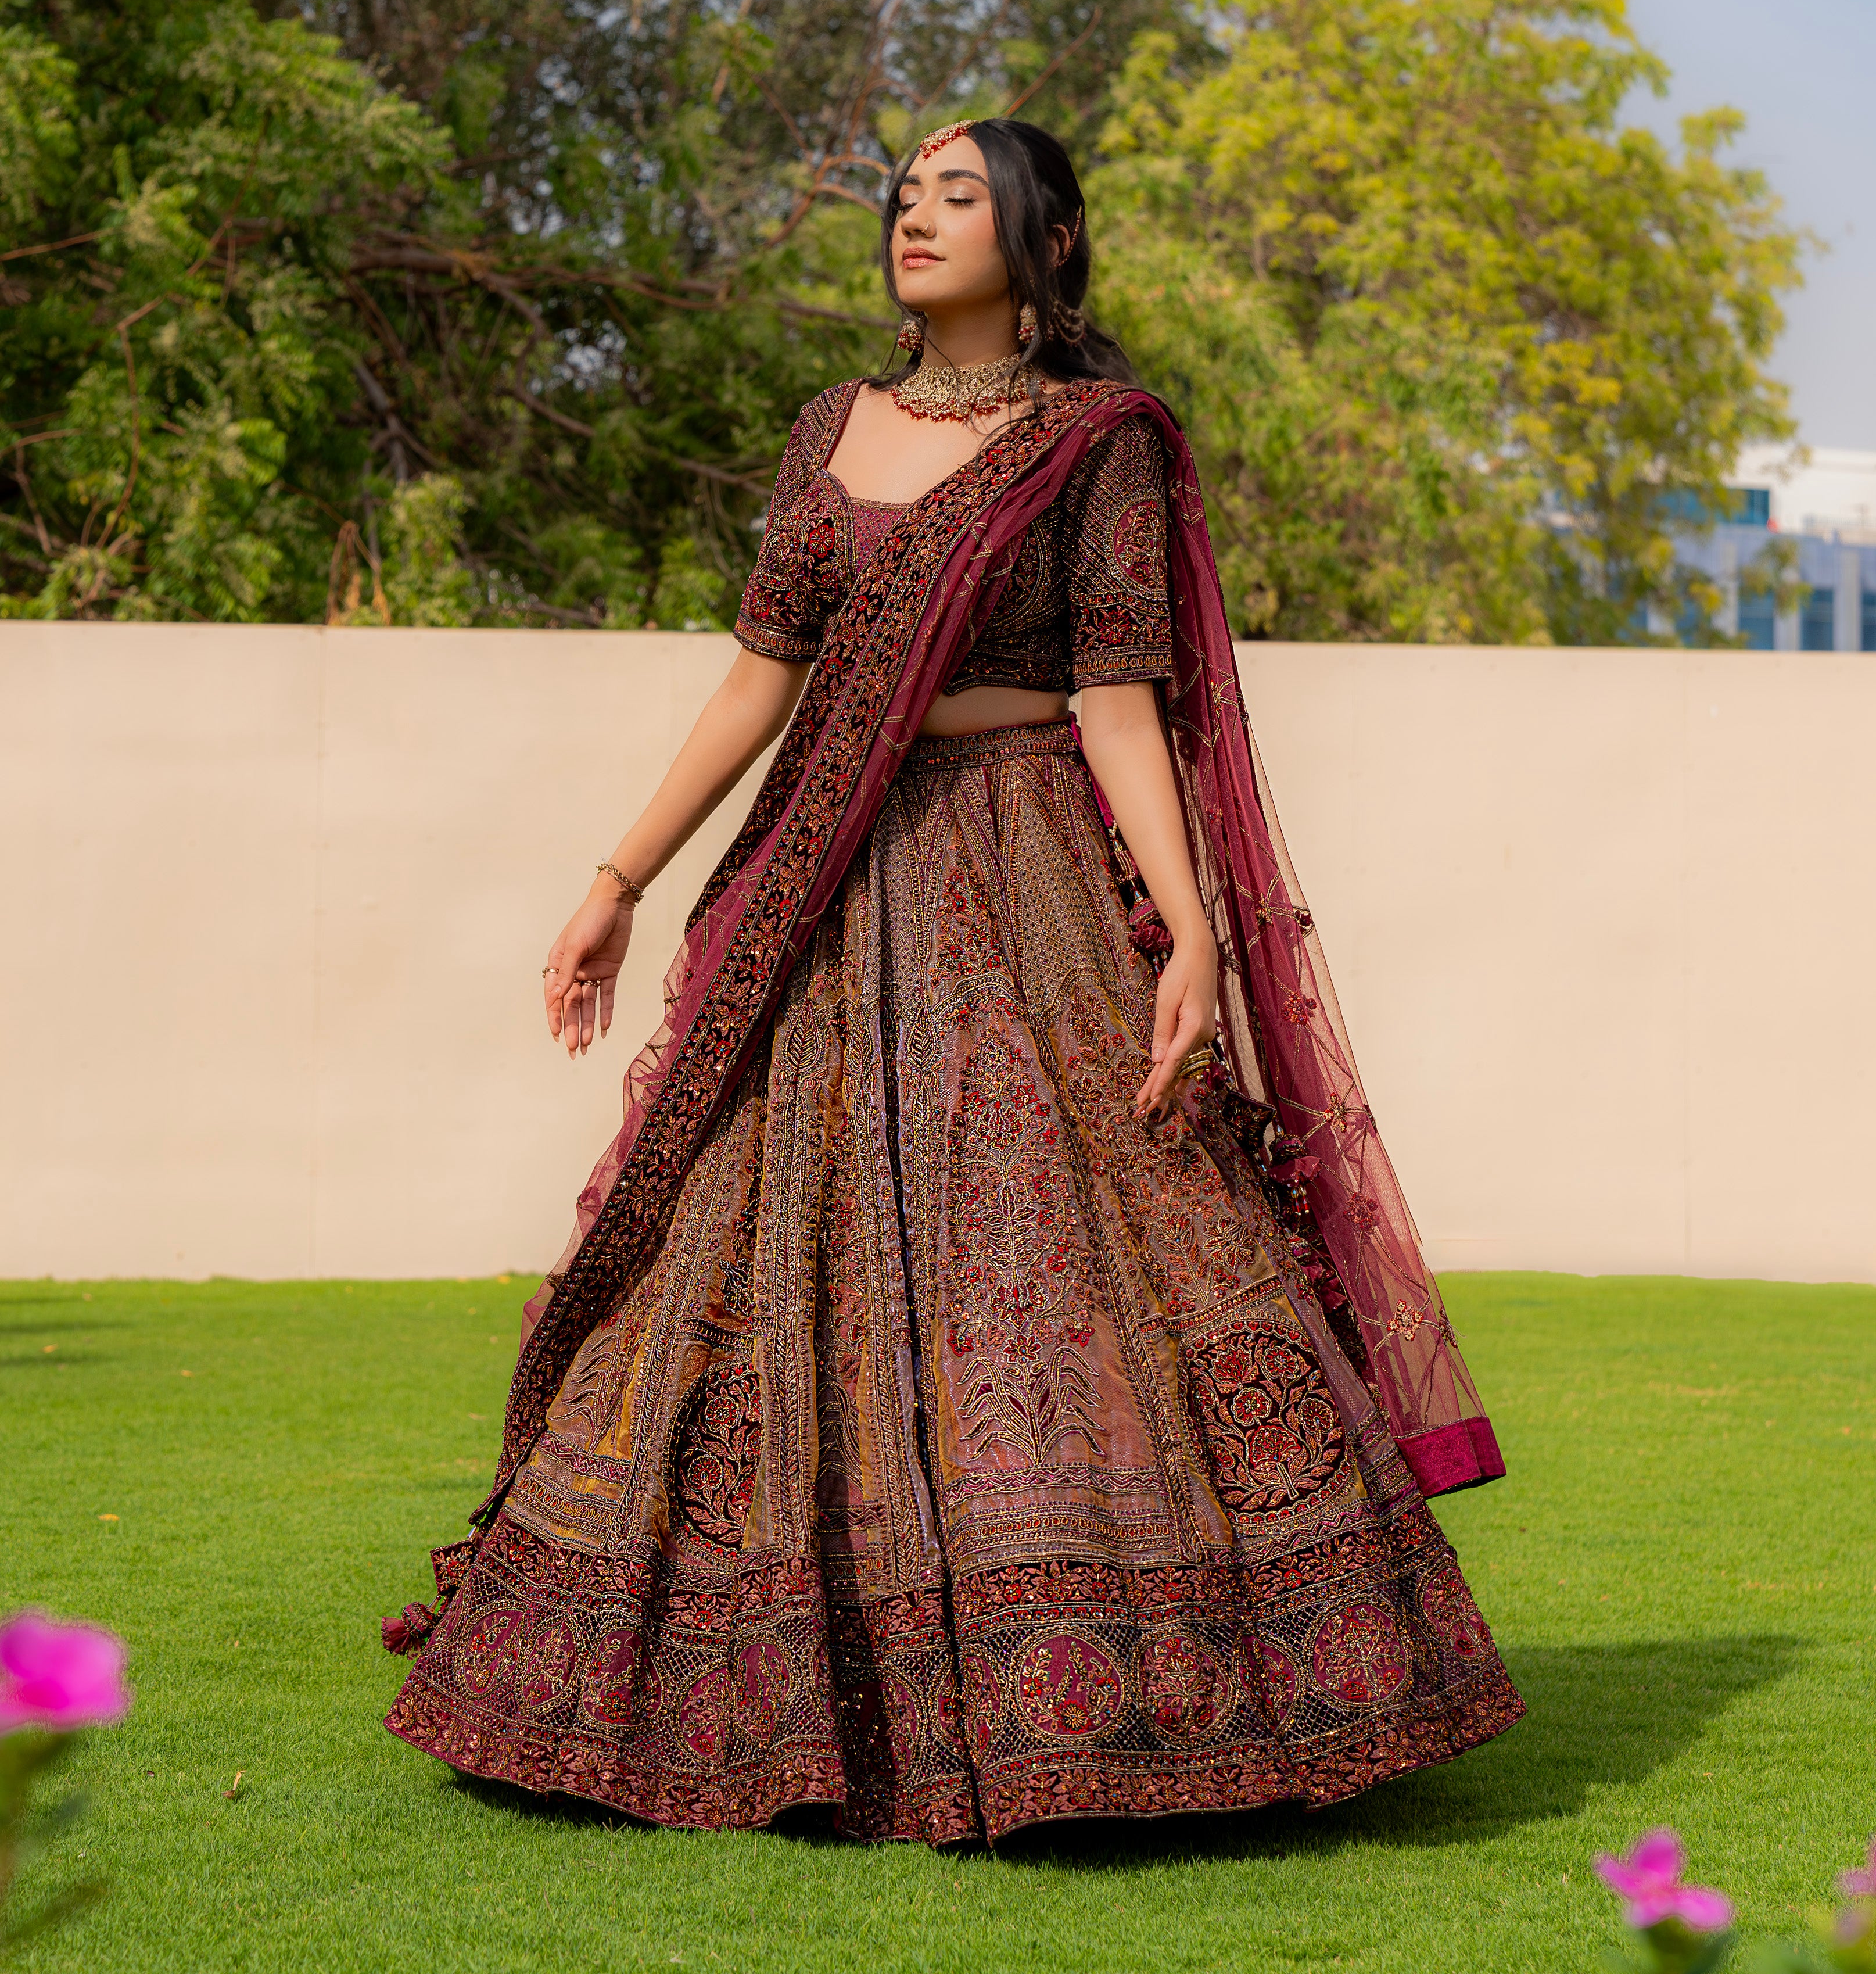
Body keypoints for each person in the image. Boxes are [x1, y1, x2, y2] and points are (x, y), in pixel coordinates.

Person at [385, 116, 1522, 1842]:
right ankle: (714, 1690)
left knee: (1072, 1246)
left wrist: (1192, 928)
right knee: (748, 1253)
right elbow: (757, 686)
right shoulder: (830, 431)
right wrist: (618, 880)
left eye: (957, 195)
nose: (916, 218)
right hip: (823, 888)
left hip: (1024, 872)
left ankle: (1186, 1687)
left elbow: (1119, 698)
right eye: (902, 196)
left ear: (1044, 243)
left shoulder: (1094, 445)